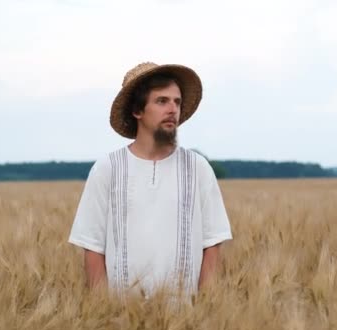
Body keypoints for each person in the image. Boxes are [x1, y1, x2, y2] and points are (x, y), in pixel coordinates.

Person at [68, 62, 232, 296]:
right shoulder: (107, 169)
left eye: (177, 101)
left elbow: (213, 244)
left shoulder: (198, 168)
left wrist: (205, 309)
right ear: (137, 110)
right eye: (162, 101)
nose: (173, 109)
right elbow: (93, 249)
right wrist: (103, 315)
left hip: (186, 319)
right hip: (121, 321)